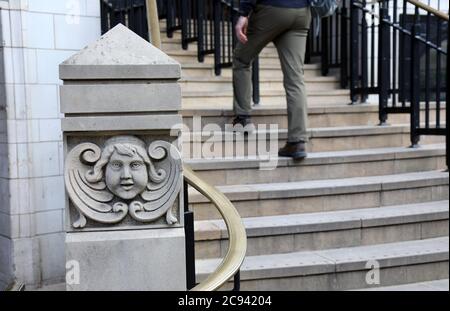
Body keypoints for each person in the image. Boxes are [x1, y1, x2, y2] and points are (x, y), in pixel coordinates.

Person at [231, 0, 311, 160]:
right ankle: (297, 141)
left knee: (241, 59)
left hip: (271, 9)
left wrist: (243, 13)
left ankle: (243, 119)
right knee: (295, 78)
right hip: (301, 12)